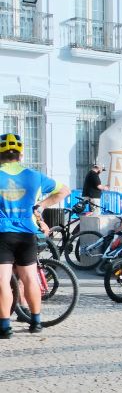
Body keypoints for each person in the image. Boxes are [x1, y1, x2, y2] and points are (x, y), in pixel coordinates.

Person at [0, 133, 67, 338]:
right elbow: (64, 190)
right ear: (21, 155)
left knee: (2, 281)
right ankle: (36, 322)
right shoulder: (35, 176)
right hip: (28, 233)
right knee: (29, 278)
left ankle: (5, 327)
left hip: (2, 233)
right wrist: (41, 205)